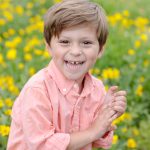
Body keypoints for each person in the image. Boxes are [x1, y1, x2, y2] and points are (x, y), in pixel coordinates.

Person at [7, 0, 127, 149]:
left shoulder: (96, 89)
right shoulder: (37, 90)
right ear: (49, 47)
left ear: (100, 49)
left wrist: (106, 115)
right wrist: (93, 131)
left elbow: (97, 141)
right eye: (65, 42)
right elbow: (42, 146)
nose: (75, 51)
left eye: (86, 43)